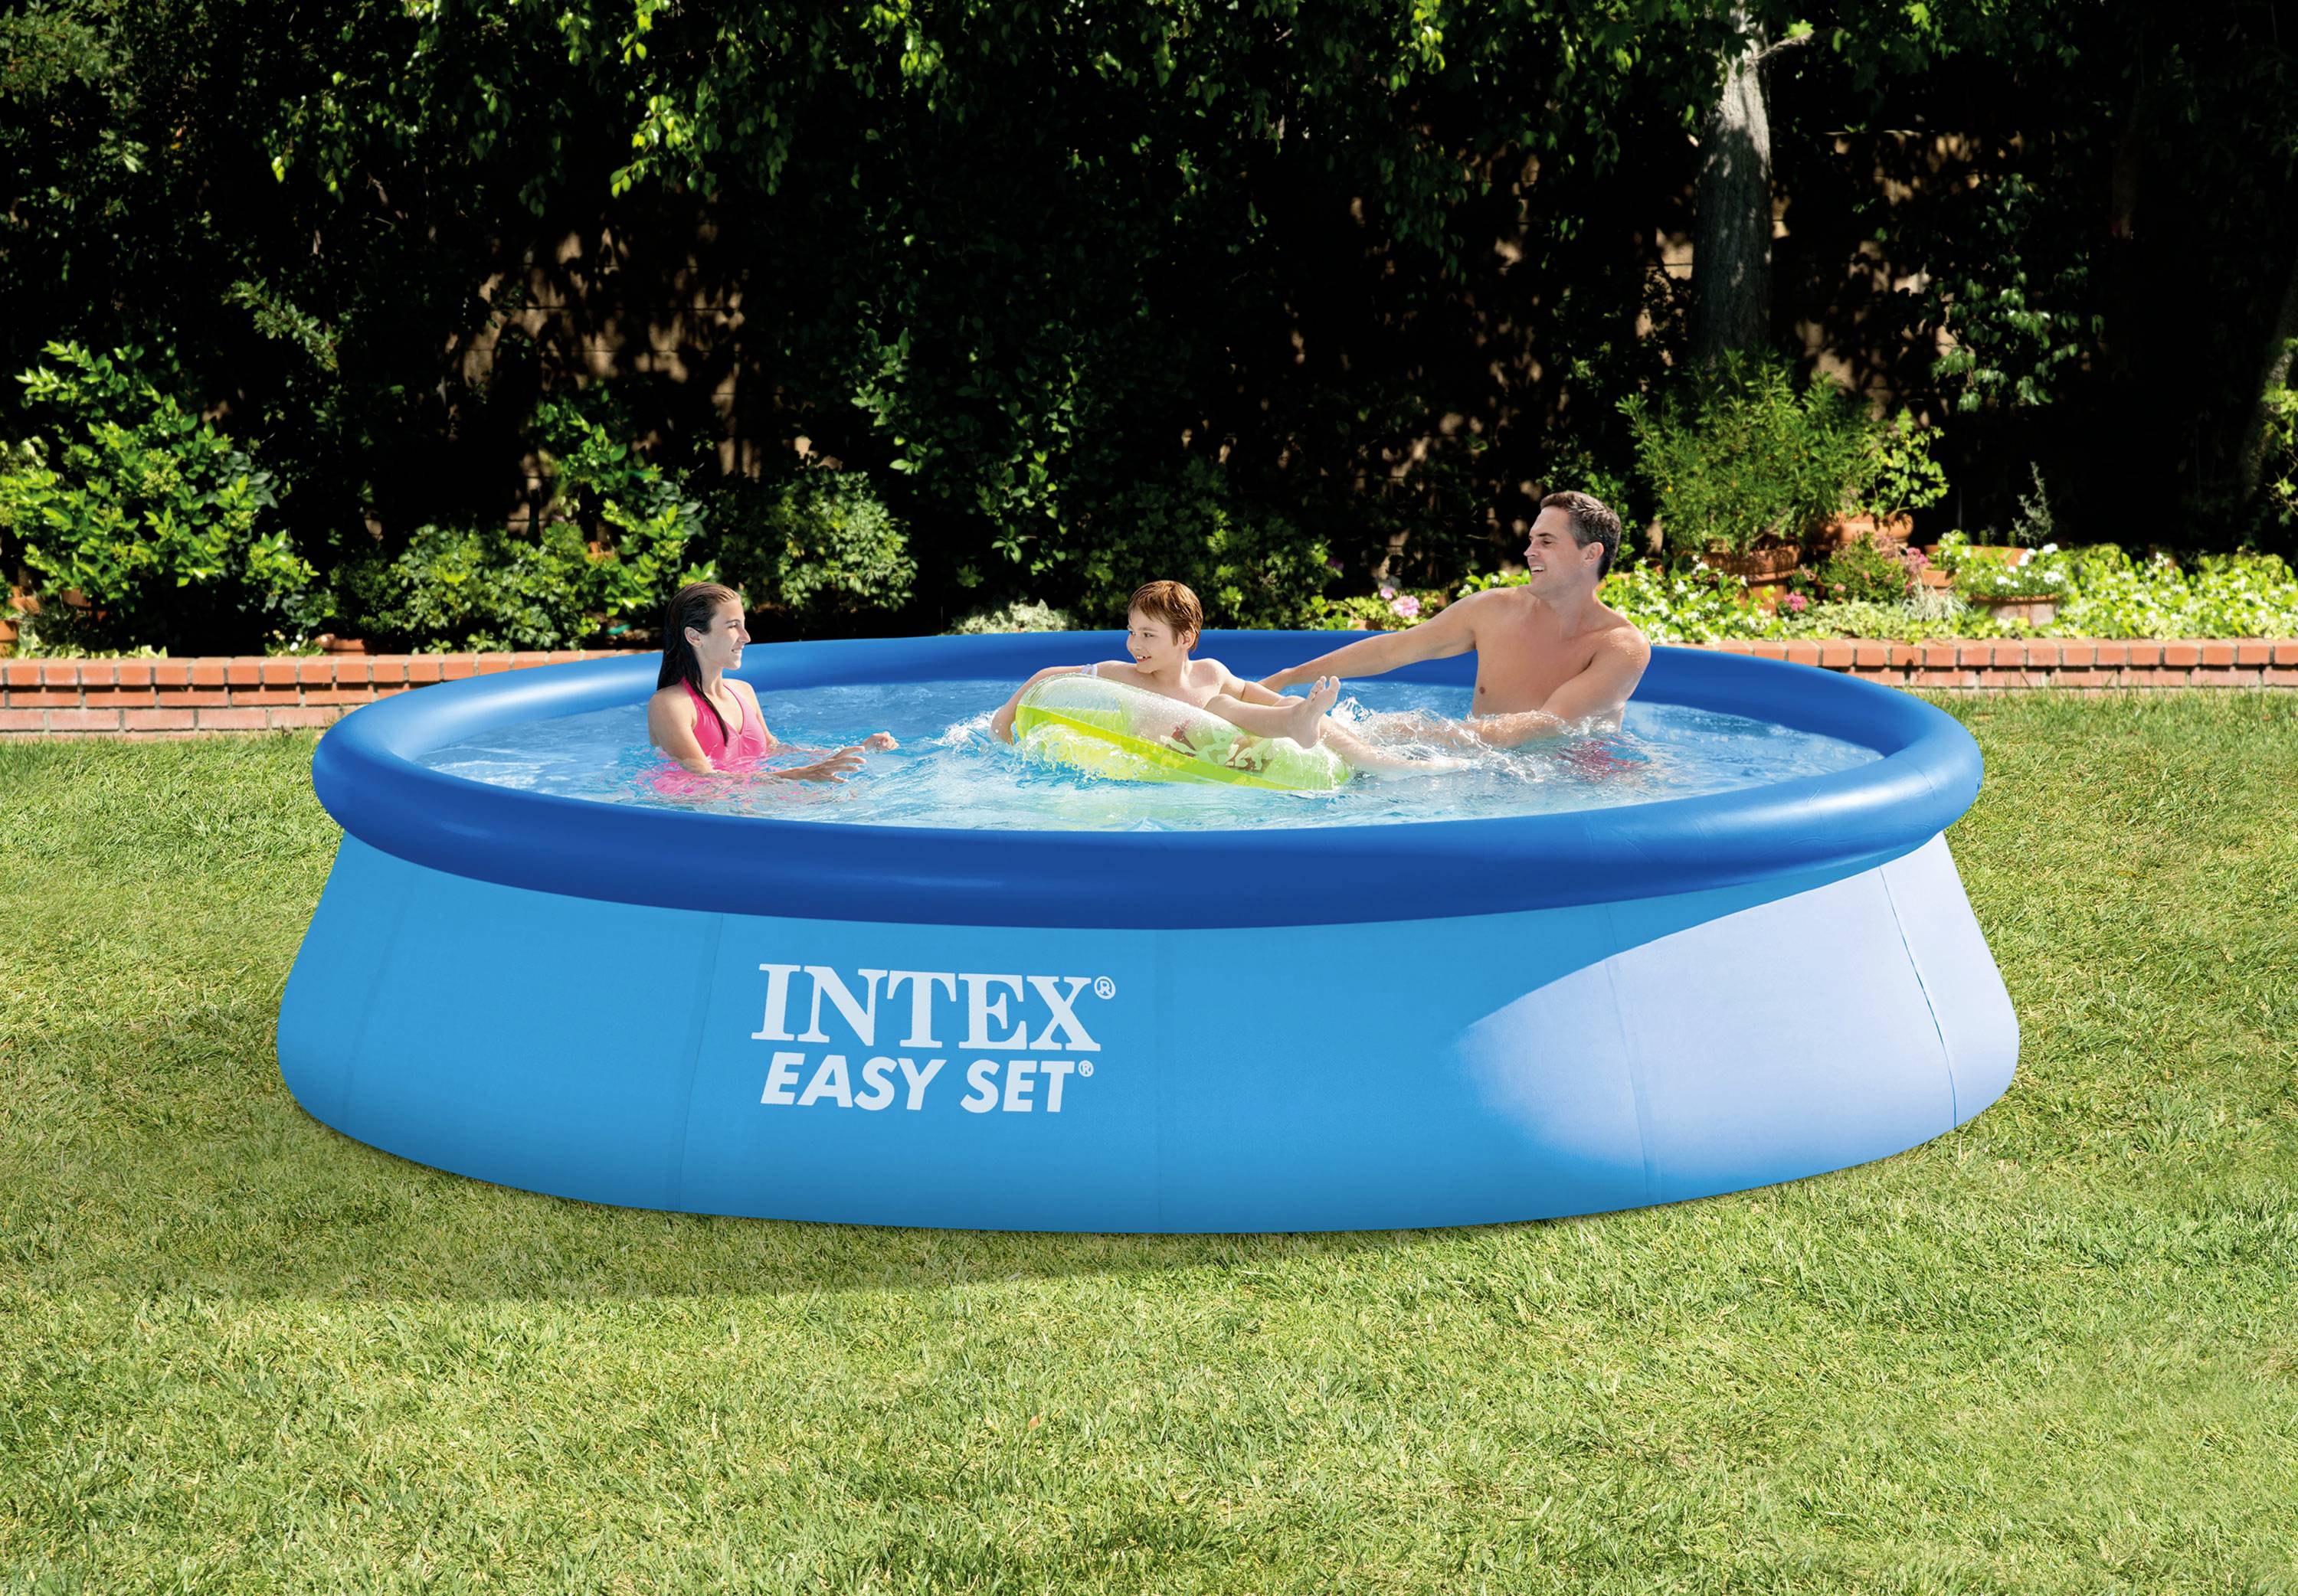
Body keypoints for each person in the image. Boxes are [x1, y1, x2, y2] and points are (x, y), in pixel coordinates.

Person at [1262, 491, 1651, 748]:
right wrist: (1288, 676)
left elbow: (1546, 726)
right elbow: (1394, 649)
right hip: (1486, 765)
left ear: (1591, 554)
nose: (1529, 551)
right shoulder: (1493, 610)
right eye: (1532, 539)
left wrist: (1406, 738)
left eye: (1546, 542)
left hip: (1572, 785)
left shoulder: (1619, 645)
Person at [988, 580, 1452, 774]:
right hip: (1175, 752)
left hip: (1228, 743)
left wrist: (1289, 701)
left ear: (1186, 637)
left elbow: (1252, 692)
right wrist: (1007, 716)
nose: (1136, 645)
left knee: (1258, 706)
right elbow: (1051, 676)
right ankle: (1296, 725)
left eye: (1149, 635)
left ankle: (1375, 759)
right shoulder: (1120, 675)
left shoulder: (1211, 672)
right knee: (1219, 710)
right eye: (1132, 632)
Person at [647, 582, 895, 782]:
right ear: (695, 636)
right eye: (733, 626)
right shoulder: (670, 704)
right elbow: (704, 779)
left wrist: (858, 751)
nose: (746, 637)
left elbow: (773, 749)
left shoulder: (743, 692)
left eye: (743, 625)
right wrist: (799, 775)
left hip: (757, 799)